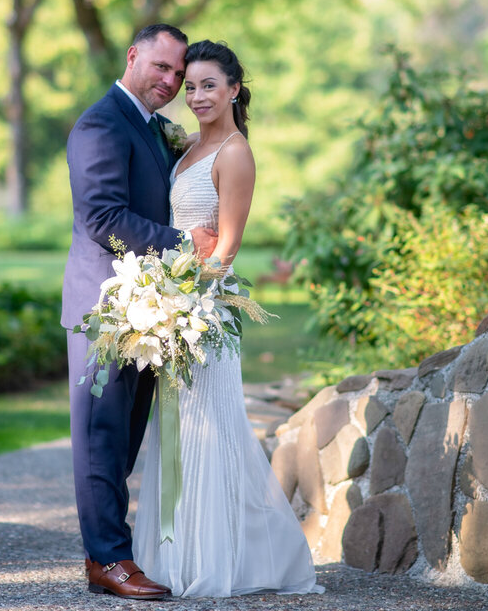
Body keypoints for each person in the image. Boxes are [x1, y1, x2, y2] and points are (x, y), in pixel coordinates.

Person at [133, 40, 322, 597]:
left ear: (235, 89)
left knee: (209, 433)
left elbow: (226, 252)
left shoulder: (235, 153)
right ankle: (174, 558)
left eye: (209, 85)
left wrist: (179, 308)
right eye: (189, 86)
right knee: (177, 435)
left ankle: (219, 563)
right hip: (174, 312)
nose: (196, 96)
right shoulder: (187, 145)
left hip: (204, 315)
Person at [62, 23, 217, 600]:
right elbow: (102, 218)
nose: (171, 81)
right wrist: (184, 243)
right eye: (162, 67)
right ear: (133, 57)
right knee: (101, 439)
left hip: (147, 312)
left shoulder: (151, 127)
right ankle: (109, 561)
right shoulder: (101, 123)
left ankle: (107, 552)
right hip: (104, 309)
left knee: (123, 441)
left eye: (179, 73)